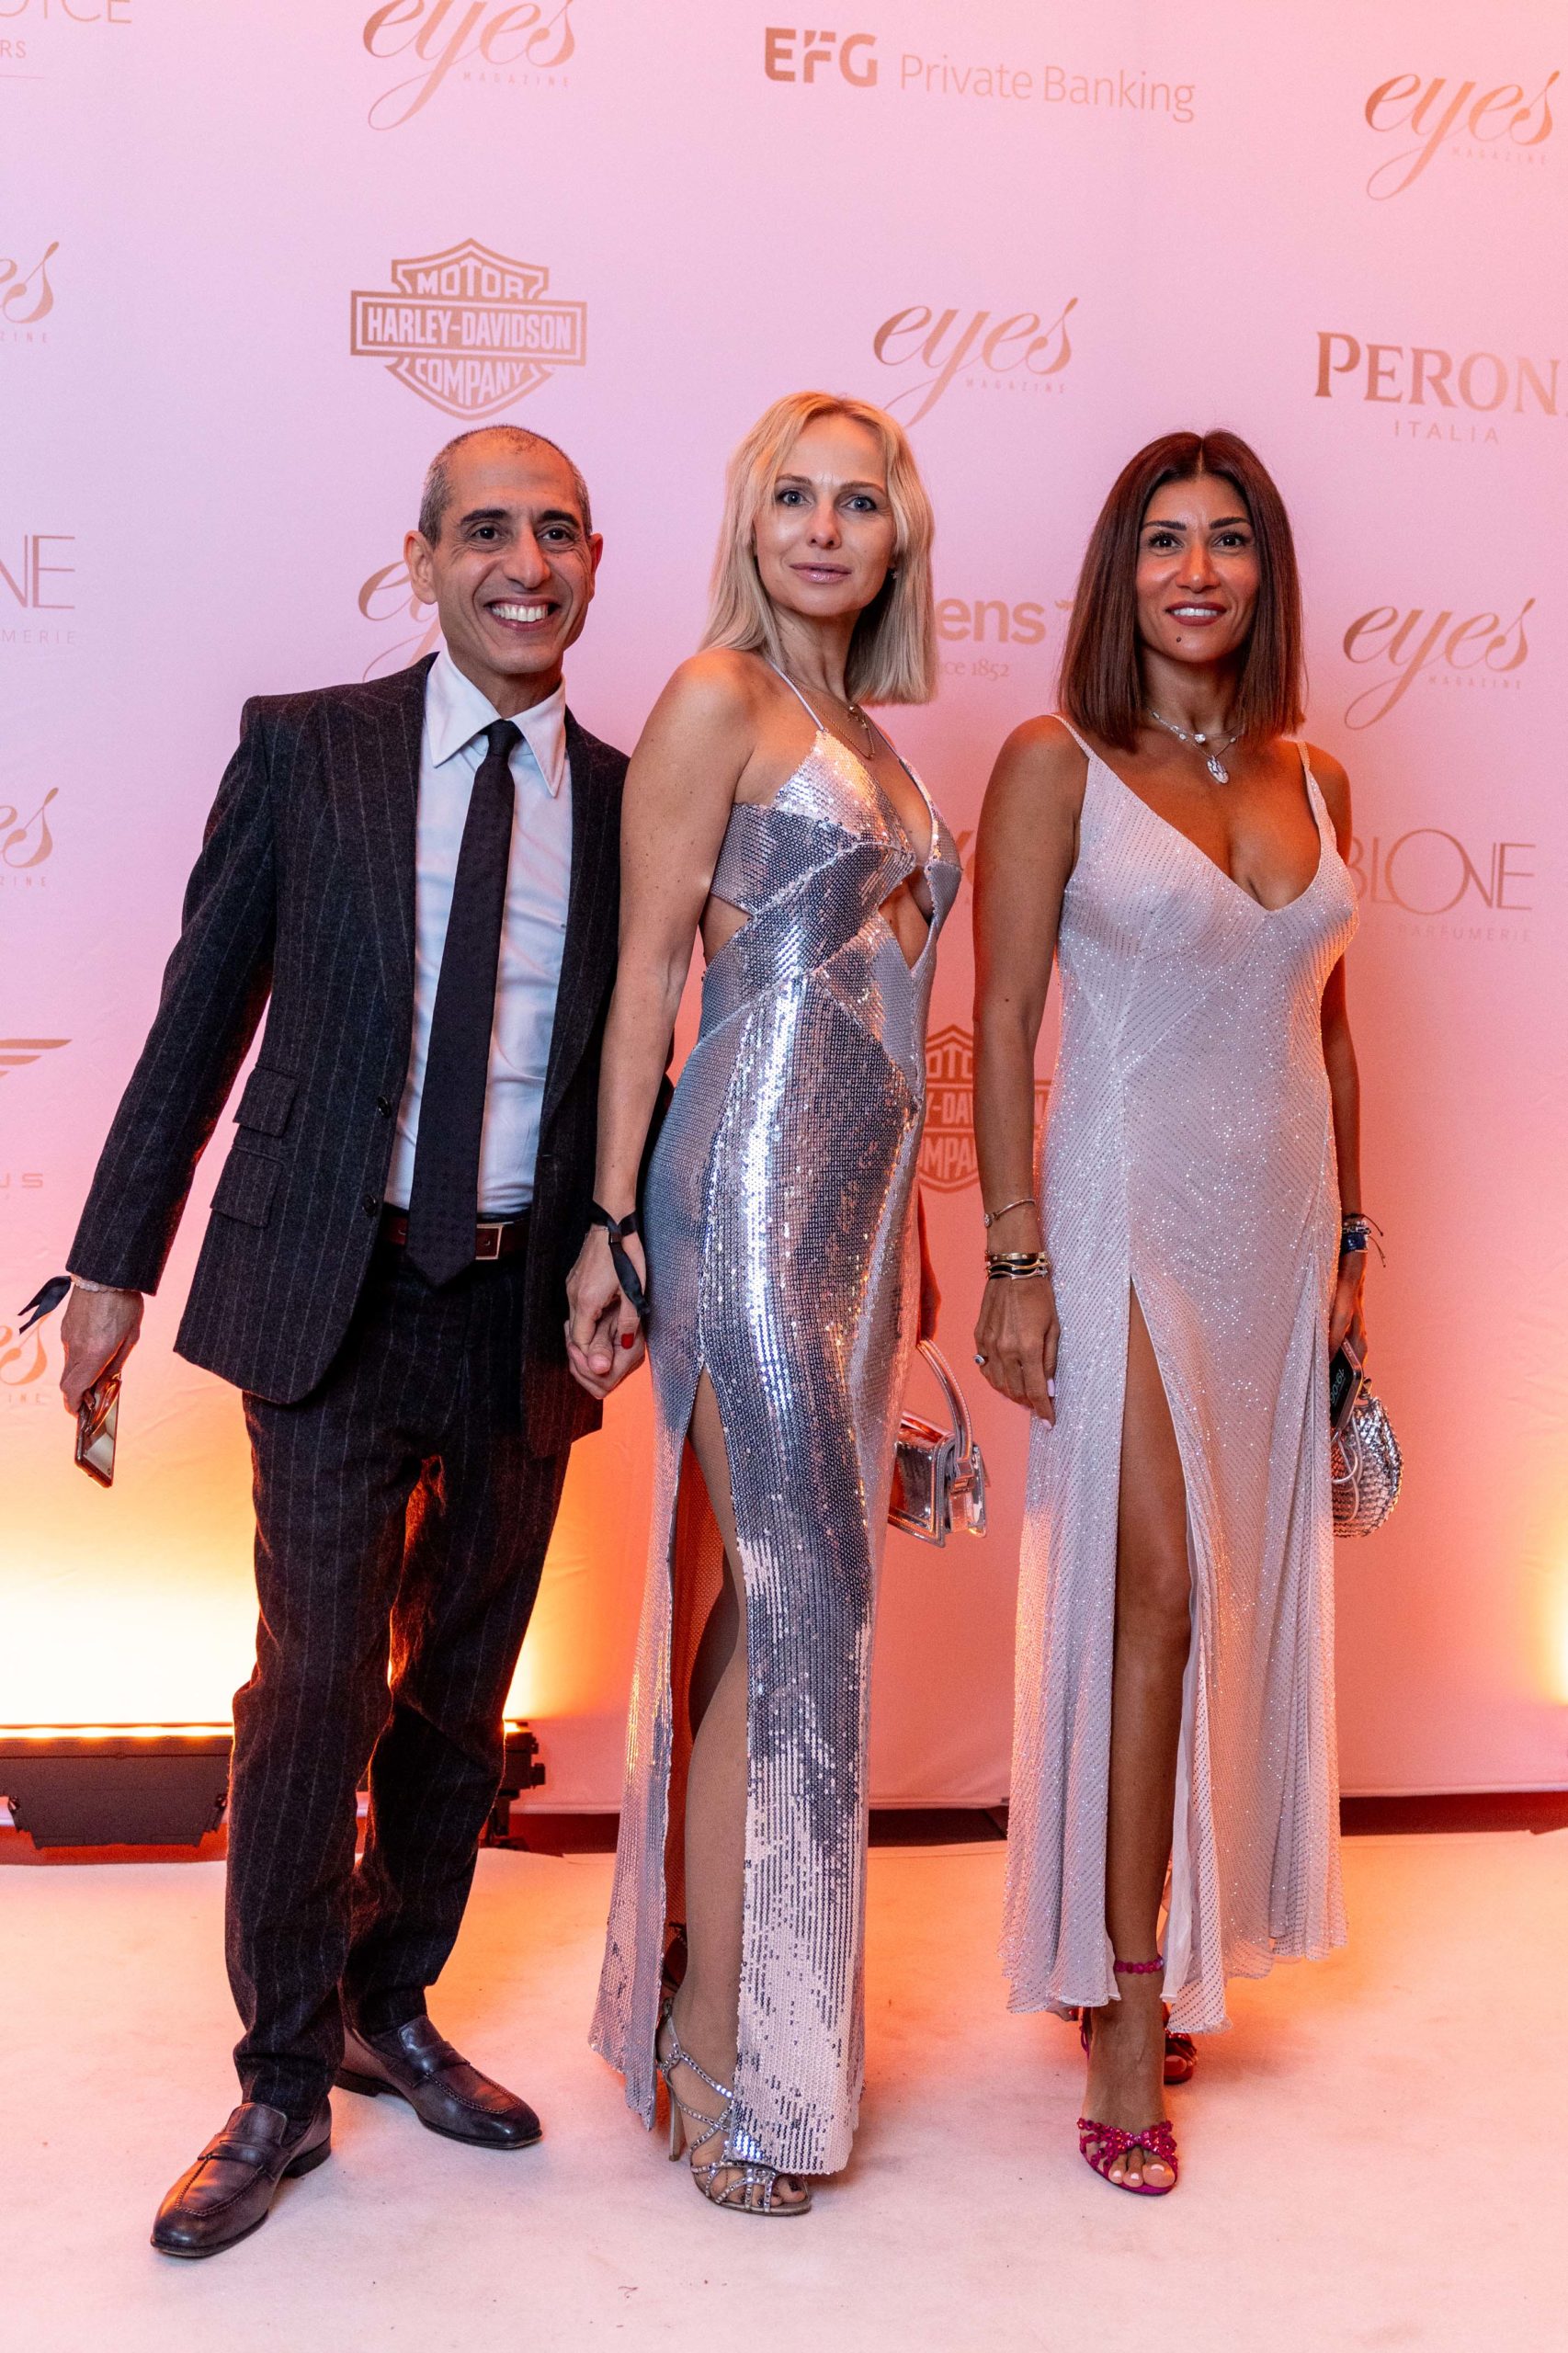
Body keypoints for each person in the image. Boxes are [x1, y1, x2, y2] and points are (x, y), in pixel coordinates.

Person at [60, 425, 629, 2258]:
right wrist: (110, 1263)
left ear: (594, 562)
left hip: (520, 1304)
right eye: (487, 531)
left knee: (461, 1689)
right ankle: (280, 2077)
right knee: (314, 1685)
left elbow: (642, 1070)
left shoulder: (637, 800)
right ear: (422, 559)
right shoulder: (308, 748)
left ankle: (392, 2002)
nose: (523, 563)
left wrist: (631, 1254)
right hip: (333, 1286)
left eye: (556, 532)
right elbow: (196, 1017)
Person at [566, 392, 956, 2215]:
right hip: (735, 1184)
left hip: (857, 1222)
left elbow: (894, 1011)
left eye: (855, 502)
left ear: (896, 538)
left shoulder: (877, 738)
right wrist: (604, 1223)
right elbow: (645, 976)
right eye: (791, 497)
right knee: (787, 1607)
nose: (821, 528)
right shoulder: (716, 698)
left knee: (802, 1616)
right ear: (749, 523)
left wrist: (919, 1248)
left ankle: (726, 2017)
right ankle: (723, 2044)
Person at [971, 430, 1369, 2195]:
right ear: (1115, 573)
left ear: (1263, 571)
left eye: (1225, 541)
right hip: (1121, 1208)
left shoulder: (1317, 775)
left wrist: (1354, 1241)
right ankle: (1123, 2004)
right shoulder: (1051, 760)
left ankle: (1168, 1923)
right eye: (1160, 541)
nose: (1193, 572)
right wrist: (1012, 1257)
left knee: (1237, 1597)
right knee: (1155, 1586)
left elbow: (1328, 1030)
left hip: (1276, 1229)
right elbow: (998, 1020)